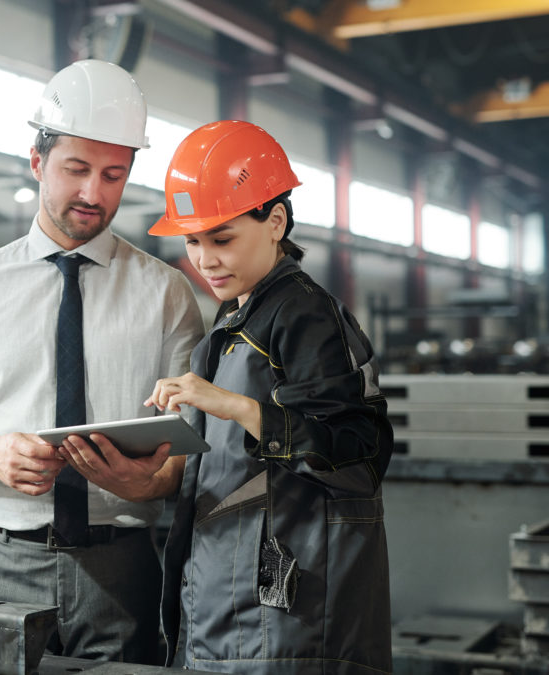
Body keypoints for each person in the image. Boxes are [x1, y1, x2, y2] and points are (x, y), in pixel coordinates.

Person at [0, 59, 204, 664]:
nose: (93, 193)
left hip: (121, 567)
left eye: (114, 174)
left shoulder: (165, 293)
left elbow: (193, 450)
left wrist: (152, 481)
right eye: (76, 169)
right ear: (37, 162)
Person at [139, 120, 394, 672]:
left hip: (288, 627)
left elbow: (359, 454)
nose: (204, 260)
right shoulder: (233, 323)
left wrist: (232, 405)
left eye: (222, 238)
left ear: (275, 221)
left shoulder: (305, 315)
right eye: (193, 241)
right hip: (230, 614)